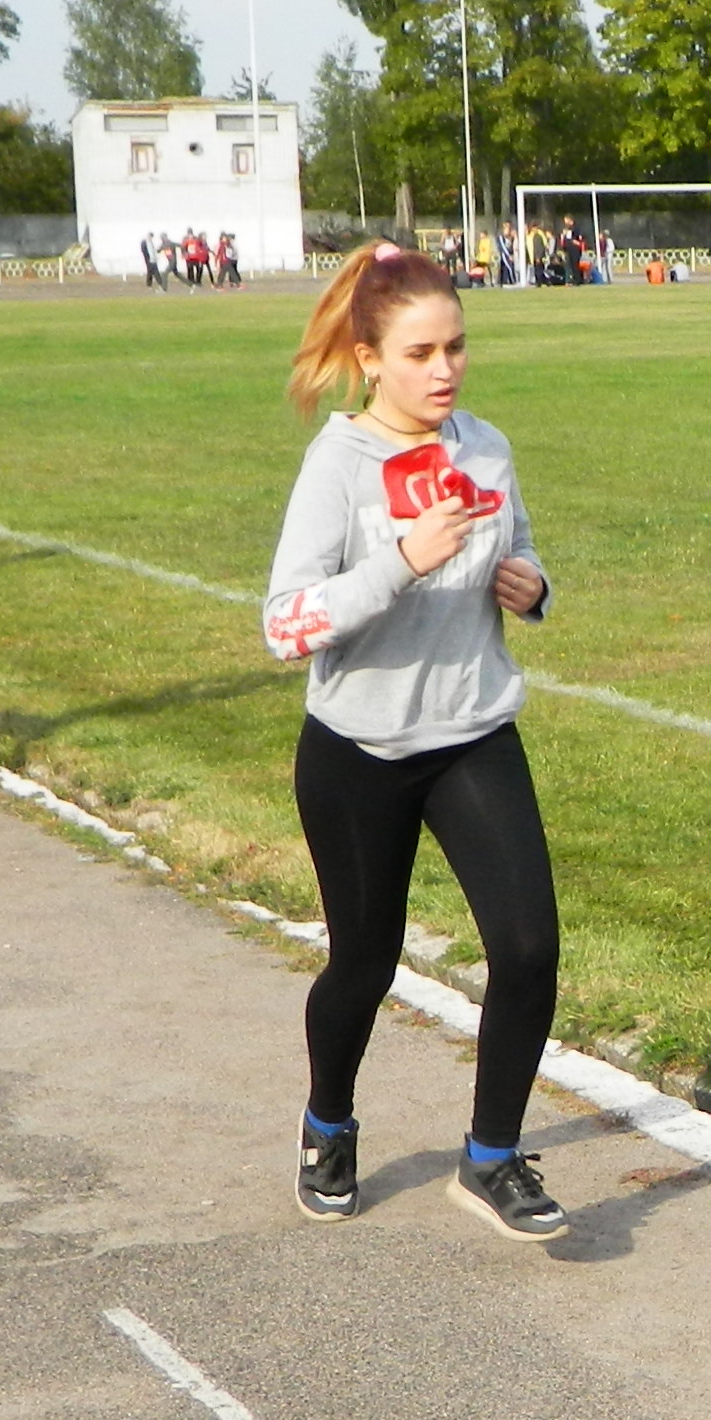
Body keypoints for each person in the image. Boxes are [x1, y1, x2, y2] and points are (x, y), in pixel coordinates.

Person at [258, 241, 566, 1242]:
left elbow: (512, 554)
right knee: (365, 963)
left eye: (458, 348)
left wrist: (531, 584)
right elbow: (285, 625)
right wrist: (397, 562)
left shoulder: (486, 448)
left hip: (471, 728)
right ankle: (328, 1121)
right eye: (423, 352)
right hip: (357, 748)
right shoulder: (338, 465)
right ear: (370, 358)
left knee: (527, 947)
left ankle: (490, 1158)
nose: (445, 370)